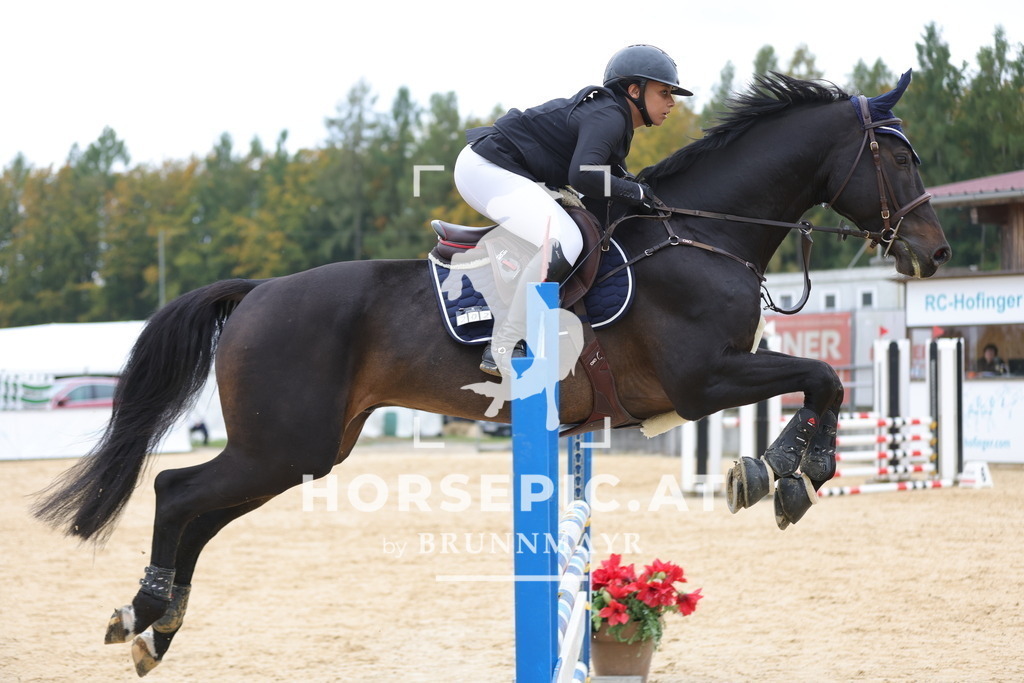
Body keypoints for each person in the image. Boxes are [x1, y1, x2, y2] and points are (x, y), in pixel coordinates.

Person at [454, 44, 693, 376]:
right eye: (664, 92)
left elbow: (604, 187)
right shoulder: (609, 116)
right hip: (485, 168)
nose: (671, 102)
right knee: (563, 240)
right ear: (634, 90)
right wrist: (638, 191)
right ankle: (505, 343)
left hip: (501, 169)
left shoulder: (616, 120)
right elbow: (583, 175)